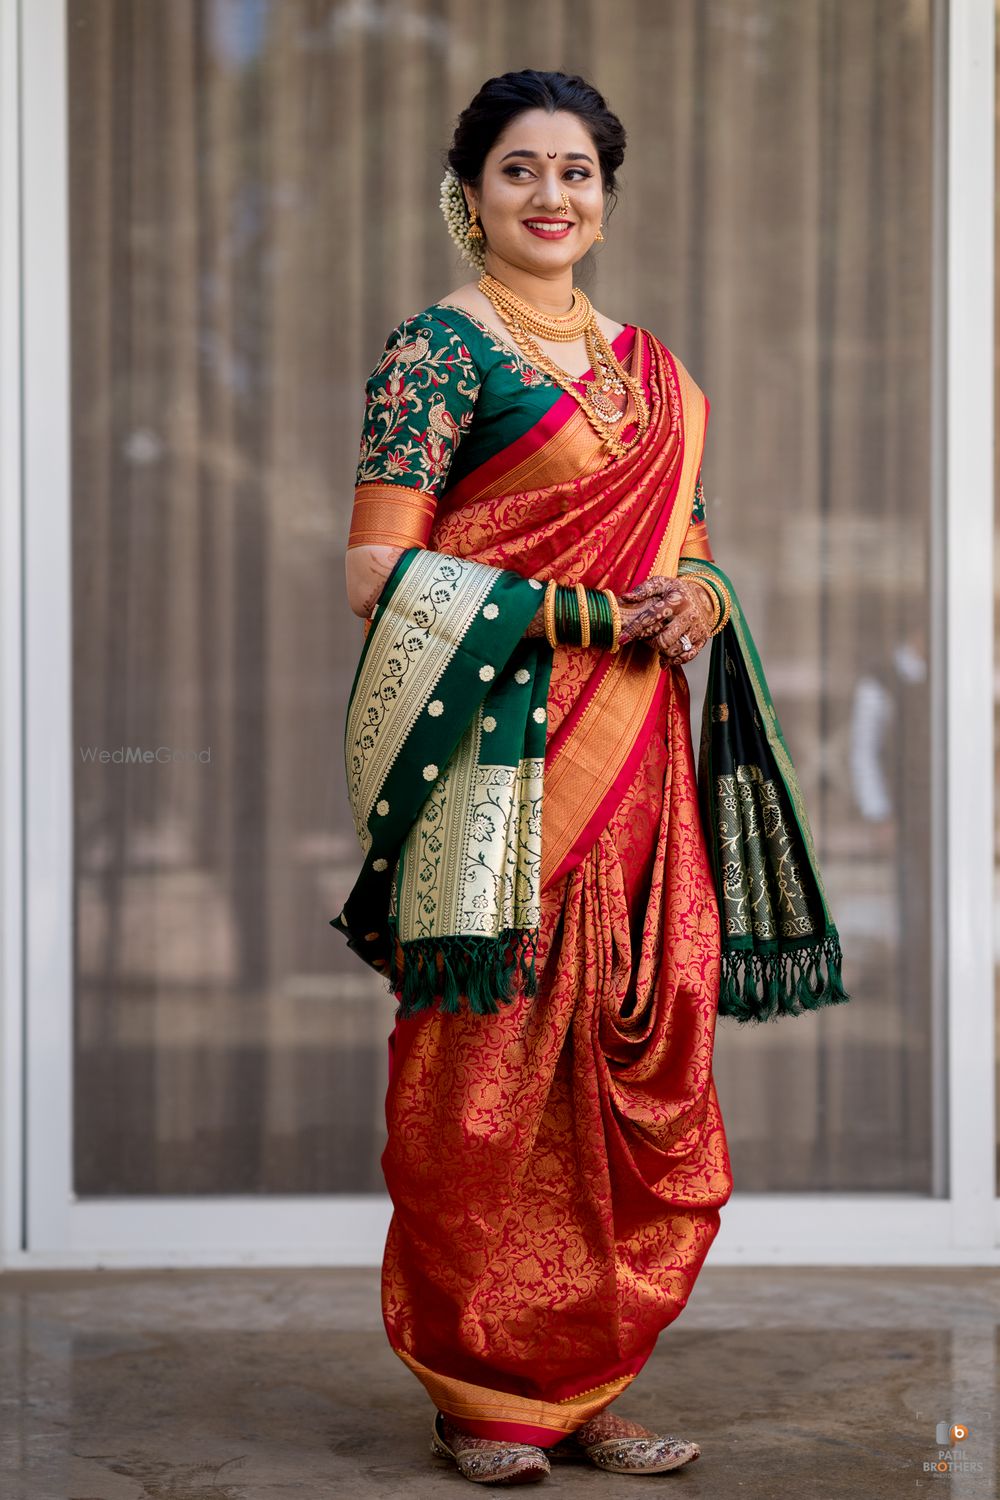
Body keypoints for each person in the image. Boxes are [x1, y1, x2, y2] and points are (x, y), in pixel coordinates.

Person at [335, 69, 848, 1486]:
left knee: (639, 1069)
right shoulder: (439, 353)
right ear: (471, 193)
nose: (551, 196)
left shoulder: (657, 377)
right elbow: (376, 570)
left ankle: (585, 1380)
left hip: (641, 774)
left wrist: (704, 594)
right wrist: (574, 617)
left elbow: (687, 553)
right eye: (520, 171)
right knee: (485, 1074)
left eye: (575, 171)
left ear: (606, 194)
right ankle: (477, 1392)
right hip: (496, 766)